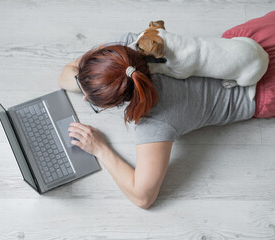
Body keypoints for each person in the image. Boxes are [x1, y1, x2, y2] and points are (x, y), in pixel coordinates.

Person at [58, 12, 275, 209]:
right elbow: (66, 76)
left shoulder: (157, 120)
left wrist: (100, 149)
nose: (85, 97)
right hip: (249, 44)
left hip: (260, 88)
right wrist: (94, 83)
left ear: (119, 101)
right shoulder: (127, 48)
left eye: (94, 103)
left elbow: (143, 197)